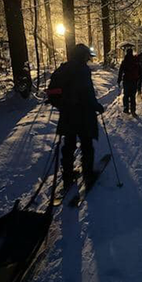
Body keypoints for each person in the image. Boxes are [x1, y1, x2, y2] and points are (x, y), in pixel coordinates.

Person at [55, 43, 105, 187]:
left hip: (67, 115)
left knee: (69, 145)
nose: (87, 59)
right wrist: (97, 106)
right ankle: (88, 175)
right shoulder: (83, 70)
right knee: (86, 145)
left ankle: (68, 175)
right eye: (86, 56)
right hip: (83, 115)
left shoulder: (64, 68)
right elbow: (87, 93)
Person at [117, 48, 140, 116]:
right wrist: (139, 78)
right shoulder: (135, 61)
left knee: (126, 95)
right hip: (134, 81)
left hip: (126, 80)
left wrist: (119, 80)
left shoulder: (124, 61)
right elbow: (139, 70)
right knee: (132, 96)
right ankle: (133, 110)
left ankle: (126, 108)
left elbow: (120, 71)